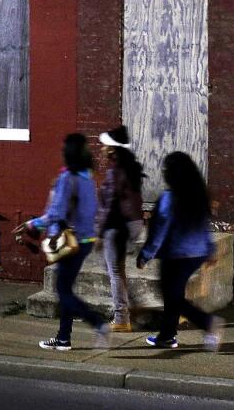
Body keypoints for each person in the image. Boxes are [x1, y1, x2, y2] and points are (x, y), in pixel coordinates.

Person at [15, 133, 110, 352]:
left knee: (63, 290)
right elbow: (93, 210)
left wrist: (32, 224)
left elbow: (55, 213)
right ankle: (63, 338)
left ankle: (98, 323)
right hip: (84, 240)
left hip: (69, 240)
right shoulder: (88, 177)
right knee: (66, 288)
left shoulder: (67, 178)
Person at [137, 151, 224, 352]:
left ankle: (208, 323)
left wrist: (146, 254)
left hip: (175, 255)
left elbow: (159, 231)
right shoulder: (198, 195)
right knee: (172, 295)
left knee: (172, 297)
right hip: (196, 254)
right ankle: (167, 336)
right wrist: (210, 250)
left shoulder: (168, 198)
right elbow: (203, 227)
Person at [96, 126, 145, 333]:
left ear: (112, 149)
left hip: (117, 225)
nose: (101, 148)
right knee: (117, 269)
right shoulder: (131, 167)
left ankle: (122, 318)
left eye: (104, 145)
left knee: (114, 271)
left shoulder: (115, 171)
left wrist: (99, 232)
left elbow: (111, 204)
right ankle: (128, 310)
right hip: (132, 223)